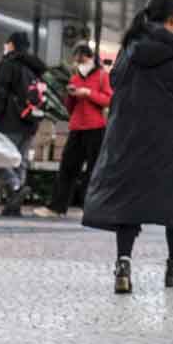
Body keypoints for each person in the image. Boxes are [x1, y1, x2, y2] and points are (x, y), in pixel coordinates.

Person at [82, 0, 173, 288]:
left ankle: (123, 267)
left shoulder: (130, 48)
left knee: (128, 200)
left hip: (128, 137)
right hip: (170, 139)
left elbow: (115, 82)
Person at [0, 30, 47, 217]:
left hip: (10, 119)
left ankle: (16, 187)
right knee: (19, 161)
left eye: (7, 43)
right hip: (31, 120)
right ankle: (14, 205)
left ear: (12, 44)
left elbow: (0, 94)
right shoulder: (35, 67)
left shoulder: (8, 63)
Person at [48, 44, 112, 217]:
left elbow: (108, 100)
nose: (79, 63)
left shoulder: (102, 76)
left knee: (93, 170)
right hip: (76, 127)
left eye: (81, 60)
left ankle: (91, 208)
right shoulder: (75, 77)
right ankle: (57, 207)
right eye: (76, 60)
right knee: (67, 168)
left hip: (95, 128)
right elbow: (69, 107)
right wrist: (70, 94)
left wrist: (88, 93)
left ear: (89, 58)